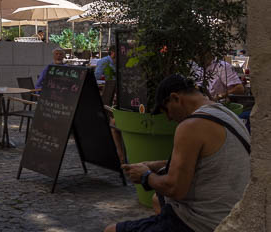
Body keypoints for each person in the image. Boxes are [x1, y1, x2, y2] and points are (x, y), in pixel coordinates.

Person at [104, 74, 251, 232]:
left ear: (175, 98)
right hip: (233, 213)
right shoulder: (224, 113)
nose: (168, 118)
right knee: (156, 200)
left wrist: (146, 176)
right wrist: (155, 165)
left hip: (203, 223)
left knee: (111, 230)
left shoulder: (191, 126)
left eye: (166, 111)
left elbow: (175, 189)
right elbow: (205, 162)